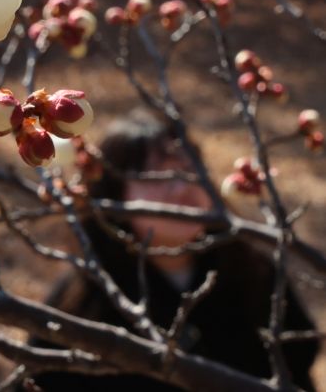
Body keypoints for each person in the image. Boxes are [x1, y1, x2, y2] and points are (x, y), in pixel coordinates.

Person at [30, 109, 318, 391]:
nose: (181, 188)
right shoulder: (81, 303)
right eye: (156, 177)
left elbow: (298, 369)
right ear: (115, 196)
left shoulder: (255, 274)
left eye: (189, 171)